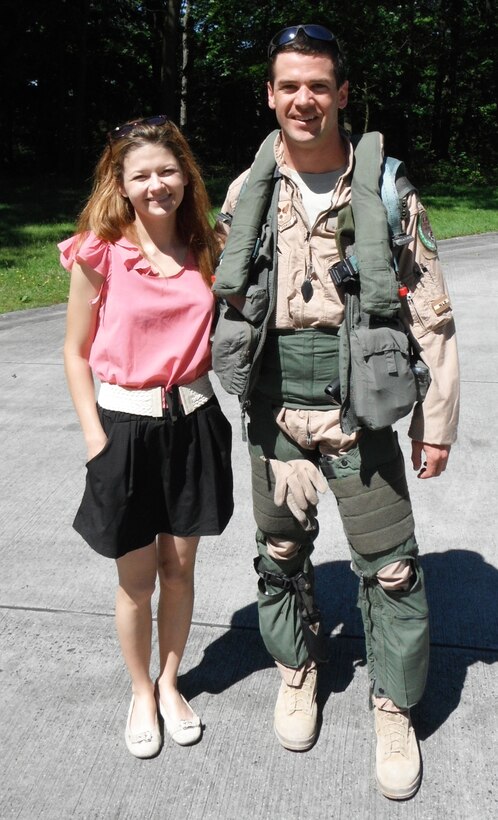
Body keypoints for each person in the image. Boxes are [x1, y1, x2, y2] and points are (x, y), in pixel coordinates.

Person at [213, 25, 459, 799]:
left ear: (343, 94)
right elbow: (211, 288)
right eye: (289, 85)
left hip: (360, 404)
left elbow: (433, 312)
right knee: (281, 554)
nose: (304, 99)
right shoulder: (246, 193)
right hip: (272, 408)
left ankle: (393, 704)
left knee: (391, 571)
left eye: (319, 85)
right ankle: (298, 668)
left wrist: (437, 421)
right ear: (271, 94)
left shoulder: (386, 188)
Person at [60, 115, 233, 758]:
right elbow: (75, 352)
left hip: (193, 423)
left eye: (168, 170)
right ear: (121, 183)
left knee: (179, 567)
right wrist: (94, 440)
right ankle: (139, 690)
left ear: (186, 176)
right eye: (142, 175)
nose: (156, 184)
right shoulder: (99, 251)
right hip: (123, 430)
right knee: (136, 578)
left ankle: (169, 682)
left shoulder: (210, 248)